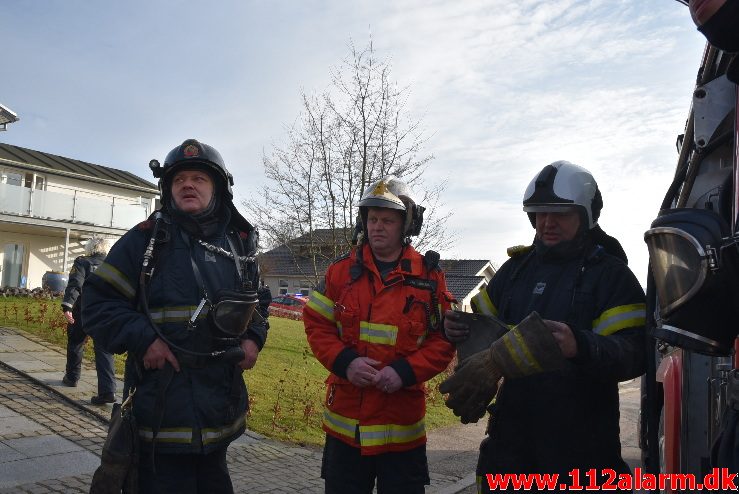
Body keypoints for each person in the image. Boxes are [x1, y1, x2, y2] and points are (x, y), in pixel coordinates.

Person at [443, 161, 646, 492]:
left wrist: (580, 345)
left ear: (586, 215)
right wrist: (452, 330)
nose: (547, 222)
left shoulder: (611, 276)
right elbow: (479, 331)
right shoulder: (515, 271)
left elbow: (635, 353)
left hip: (581, 451)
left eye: (560, 213)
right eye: (539, 213)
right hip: (511, 446)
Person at [83, 138, 270, 493]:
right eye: (179, 178)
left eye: (199, 178)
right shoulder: (142, 242)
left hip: (220, 416)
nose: (188, 184)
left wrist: (253, 339)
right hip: (160, 417)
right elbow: (96, 303)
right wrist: (144, 338)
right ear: (167, 189)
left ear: (218, 189)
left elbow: (257, 303)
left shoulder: (238, 244)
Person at [304, 176, 456, 494]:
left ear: (407, 225)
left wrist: (404, 372)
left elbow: (444, 340)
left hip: (401, 434)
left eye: (387, 220)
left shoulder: (430, 279)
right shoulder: (340, 272)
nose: (377, 226)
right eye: (372, 219)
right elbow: (317, 325)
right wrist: (346, 363)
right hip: (347, 430)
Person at [61, 237, 117, 405]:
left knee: (76, 342)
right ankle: (108, 391)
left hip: (84, 310)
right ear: (106, 249)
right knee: (104, 350)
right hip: (107, 312)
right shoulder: (113, 264)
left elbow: (75, 284)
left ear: (89, 248)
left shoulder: (82, 262)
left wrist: (68, 305)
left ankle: (72, 378)